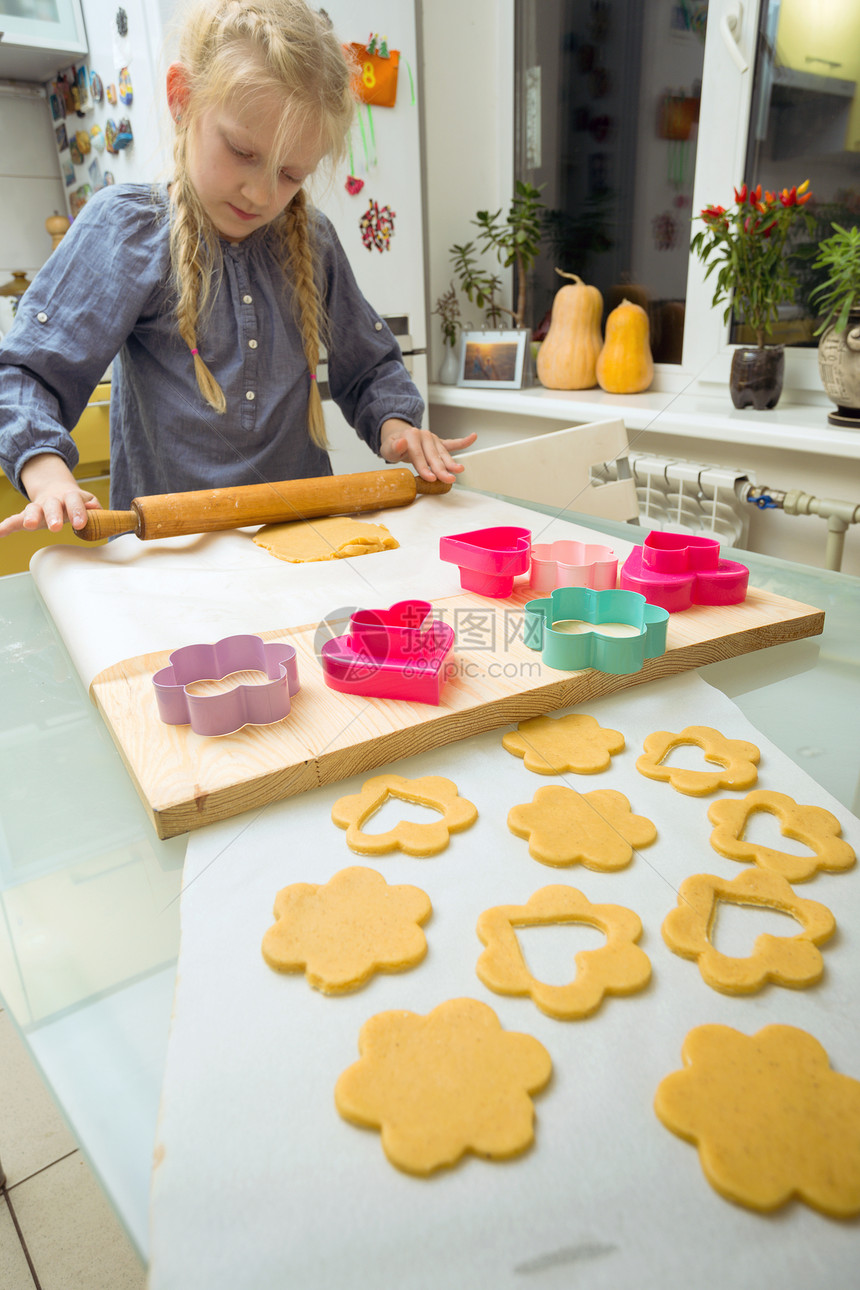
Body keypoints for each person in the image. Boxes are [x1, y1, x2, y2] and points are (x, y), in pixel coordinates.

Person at [0, 0, 475, 539]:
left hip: (307, 538)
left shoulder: (313, 239)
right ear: (182, 99)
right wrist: (47, 474)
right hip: (173, 555)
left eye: (291, 174)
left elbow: (370, 368)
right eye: (243, 152)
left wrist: (397, 425)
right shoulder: (125, 229)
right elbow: (27, 376)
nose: (261, 193)